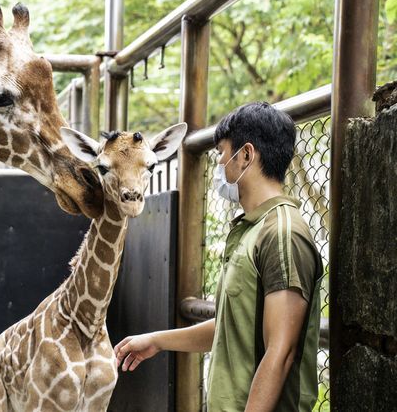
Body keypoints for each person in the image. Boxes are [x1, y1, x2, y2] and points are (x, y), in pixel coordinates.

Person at [114, 102, 324, 412]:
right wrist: (157, 341)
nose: (220, 164)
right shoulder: (252, 228)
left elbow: (281, 351)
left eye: (222, 153)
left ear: (246, 156)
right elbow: (231, 327)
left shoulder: (282, 234)